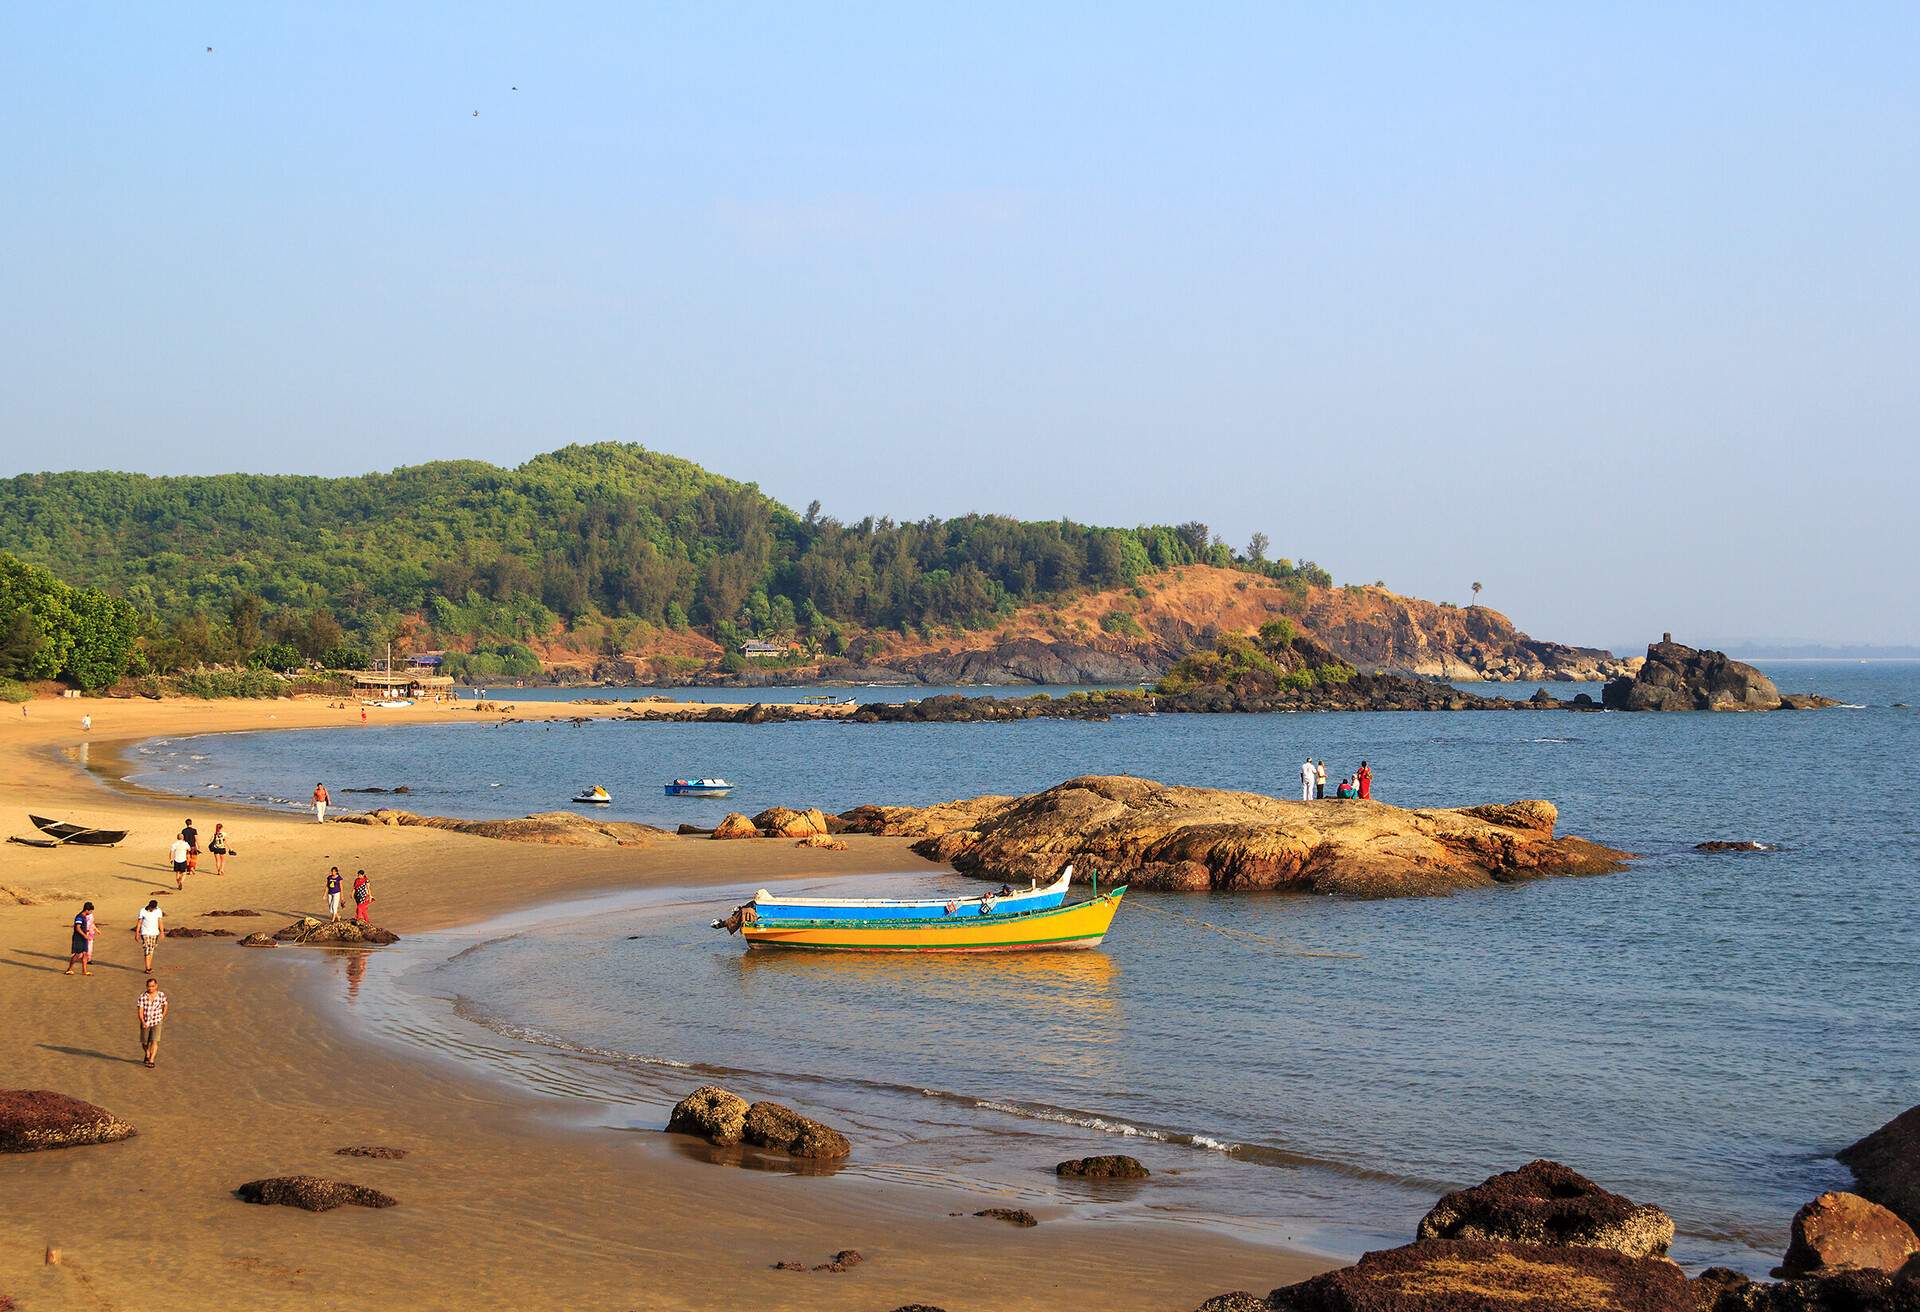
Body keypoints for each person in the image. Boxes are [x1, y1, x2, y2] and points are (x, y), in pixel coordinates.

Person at [136, 977, 169, 1068]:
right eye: (149, 986)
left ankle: (151, 1060)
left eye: (152, 986)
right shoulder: (142, 997)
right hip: (145, 1022)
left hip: (157, 1021)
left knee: (155, 1041)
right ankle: (147, 1053)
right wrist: (142, 1021)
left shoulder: (161, 995)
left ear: (156, 986)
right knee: (144, 1042)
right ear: (146, 987)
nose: (150, 988)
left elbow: (165, 1005)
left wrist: (162, 1016)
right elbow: (140, 1011)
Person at [66, 901, 99, 975]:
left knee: (85, 954)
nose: (90, 912)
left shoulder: (84, 917)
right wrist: (84, 935)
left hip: (84, 937)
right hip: (78, 938)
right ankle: (69, 969)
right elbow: (77, 928)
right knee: (77, 954)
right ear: (87, 910)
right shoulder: (79, 917)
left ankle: (84, 971)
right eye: (90, 911)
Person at [135, 899, 164, 973]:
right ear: (149, 906)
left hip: (155, 933)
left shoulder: (158, 911)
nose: (153, 909)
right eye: (152, 908)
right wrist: (137, 933)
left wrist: (162, 932)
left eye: (154, 908)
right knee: (147, 949)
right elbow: (139, 922)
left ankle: (149, 967)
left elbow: (160, 922)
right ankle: (147, 968)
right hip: (145, 933)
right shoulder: (142, 911)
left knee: (151, 950)